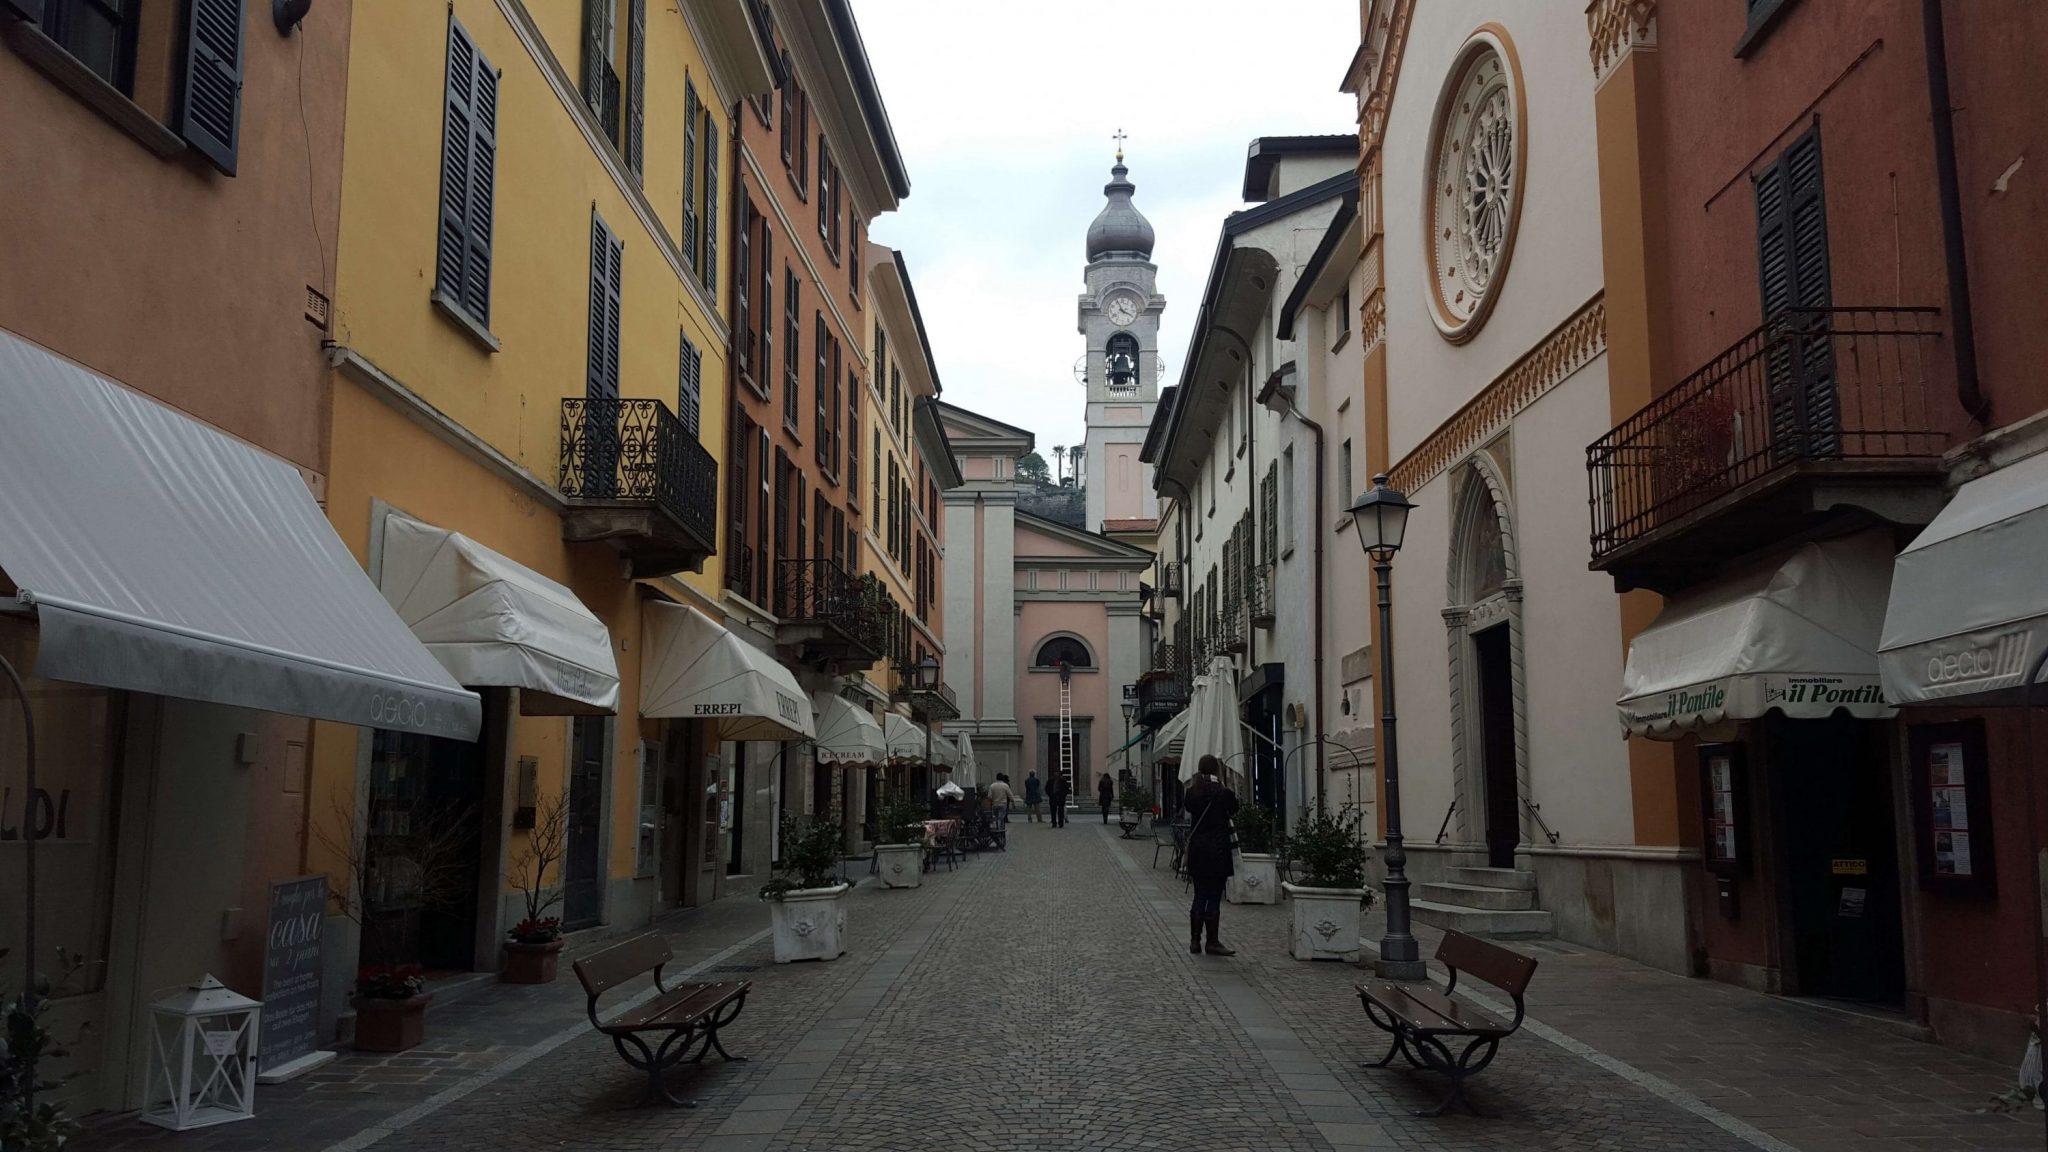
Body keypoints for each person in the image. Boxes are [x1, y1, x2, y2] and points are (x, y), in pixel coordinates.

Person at [1182, 755, 1239, 956]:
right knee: (1214, 895)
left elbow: (1189, 807)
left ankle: (1195, 941)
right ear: (1216, 770)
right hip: (1218, 849)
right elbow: (1234, 808)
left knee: (1199, 894)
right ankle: (1212, 942)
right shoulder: (1224, 793)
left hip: (1198, 849)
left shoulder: (1192, 792)